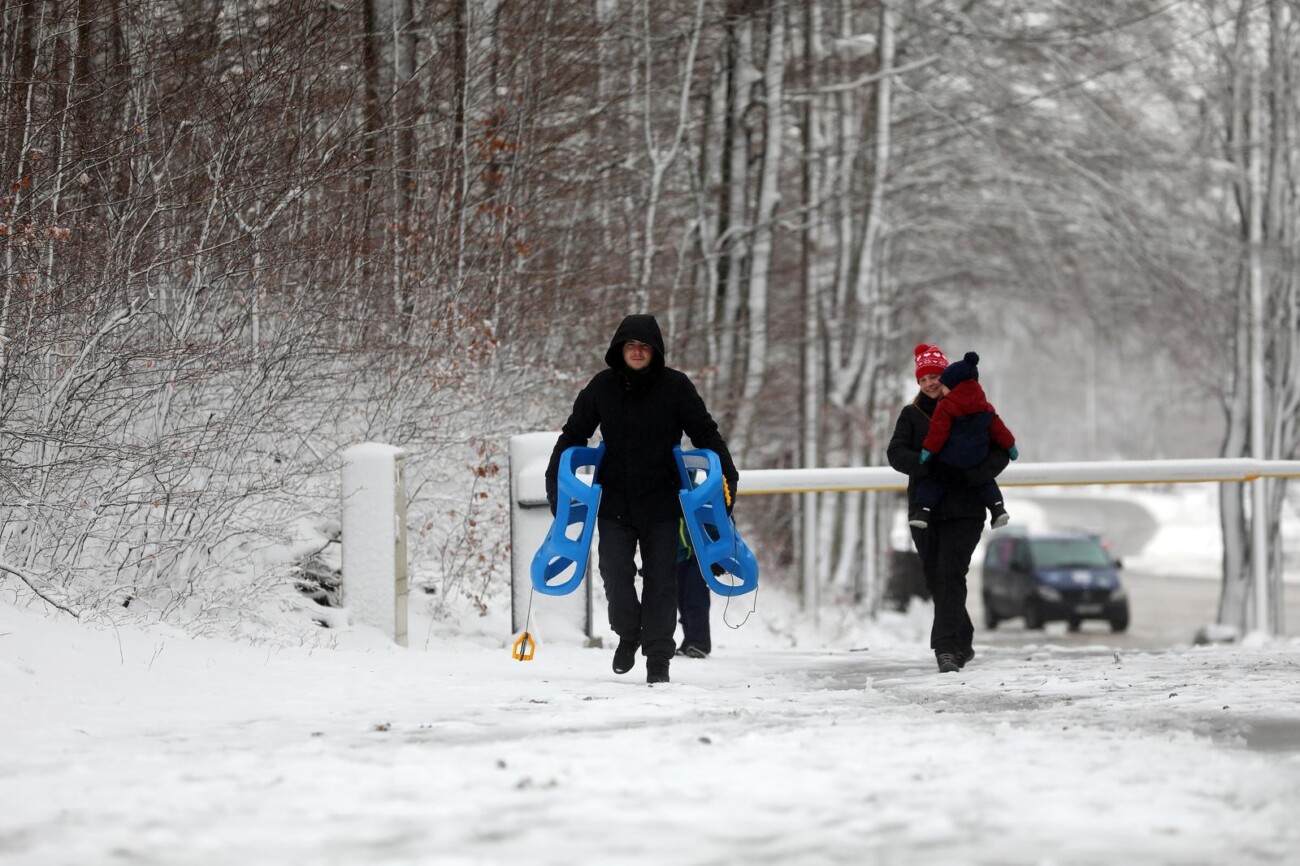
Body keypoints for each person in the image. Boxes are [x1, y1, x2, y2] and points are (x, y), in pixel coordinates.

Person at [546, 314, 738, 685]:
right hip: (615, 501)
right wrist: (555, 482)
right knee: (615, 575)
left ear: (656, 351)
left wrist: (728, 478)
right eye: (631, 345)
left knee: (661, 583)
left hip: (662, 503)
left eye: (644, 345)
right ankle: (628, 633)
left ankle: (658, 659)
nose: (637, 351)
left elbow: (706, 434)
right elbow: (574, 435)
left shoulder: (676, 387)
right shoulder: (602, 387)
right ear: (620, 349)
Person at [888, 344, 1010, 674]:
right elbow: (896, 454)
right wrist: (930, 467)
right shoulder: (911, 415)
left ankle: (946, 649)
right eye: (923, 378)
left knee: (950, 574)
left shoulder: (975, 409)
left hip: (966, 509)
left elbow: (1001, 451)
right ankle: (964, 639)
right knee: (935, 578)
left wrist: (976, 474)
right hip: (923, 511)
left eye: (935, 376)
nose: (929, 383)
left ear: (947, 376)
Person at [911, 351, 1019, 530]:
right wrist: (1011, 447)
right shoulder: (985, 406)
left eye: (941, 383)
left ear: (953, 386)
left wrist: (927, 452)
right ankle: (998, 508)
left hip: (951, 458)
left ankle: (923, 511)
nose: (939, 388)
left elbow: (938, 432)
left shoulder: (945, 406)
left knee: (933, 479)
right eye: (923, 380)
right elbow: (1000, 429)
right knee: (985, 481)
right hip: (978, 458)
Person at [675, 519, 711, 659]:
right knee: (681, 598)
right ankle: (689, 640)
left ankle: (700, 643)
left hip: (700, 553)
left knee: (696, 596)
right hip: (679, 554)